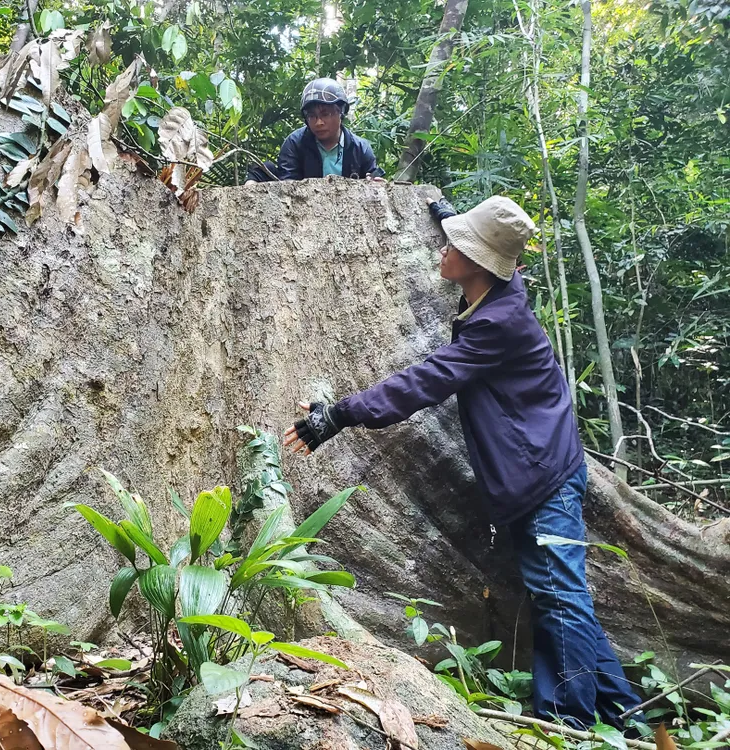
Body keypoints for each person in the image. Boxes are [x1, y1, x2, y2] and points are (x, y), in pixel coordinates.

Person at [284, 195, 642, 732]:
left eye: (455, 244)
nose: (442, 247)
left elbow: (426, 380)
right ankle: (622, 713)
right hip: (538, 470)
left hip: (543, 480)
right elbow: (498, 264)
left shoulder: (499, 323)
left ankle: (569, 723)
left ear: (478, 264)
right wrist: (462, 221)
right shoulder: (496, 296)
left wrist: (338, 415)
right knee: (557, 593)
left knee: (560, 597)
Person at [245, 78, 384, 184]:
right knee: (261, 170)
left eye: (325, 114)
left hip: (348, 215)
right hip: (303, 213)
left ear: (340, 113)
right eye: (312, 116)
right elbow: (287, 186)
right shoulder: (294, 143)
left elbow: (371, 180)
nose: (319, 122)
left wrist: (375, 184)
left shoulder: (360, 148)